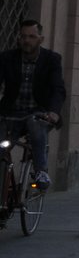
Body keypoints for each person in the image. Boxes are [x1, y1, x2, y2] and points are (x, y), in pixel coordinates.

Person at [0, 19, 66, 190]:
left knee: (36, 127)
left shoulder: (51, 59)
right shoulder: (7, 58)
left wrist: (54, 112)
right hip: (11, 114)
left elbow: (58, 89)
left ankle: (40, 171)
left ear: (41, 39)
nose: (26, 40)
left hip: (38, 113)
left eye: (31, 36)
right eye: (23, 36)